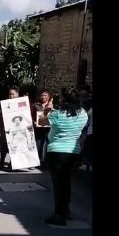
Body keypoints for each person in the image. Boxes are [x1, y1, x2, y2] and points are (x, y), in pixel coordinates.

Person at [44, 87, 90, 226]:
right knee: (66, 182)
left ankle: (58, 214)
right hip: (73, 152)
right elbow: (82, 129)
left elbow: (42, 121)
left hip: (56, 152)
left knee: (58, 184)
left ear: (63, 99)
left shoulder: (56, 114)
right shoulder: (83, 114)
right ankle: (66, 210)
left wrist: (48, 111)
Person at [34, 90, 54, 162]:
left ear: (49, 97)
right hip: (38, 129)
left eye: (45, 95)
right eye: (42, 95)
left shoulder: (52, 106)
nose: (43, 97)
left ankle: (45, 161)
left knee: (47, 145)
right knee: (38, 145)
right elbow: (32, 115)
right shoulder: (36, 105)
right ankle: (38, 160)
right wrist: (34, 122)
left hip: (48, 129)